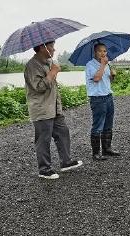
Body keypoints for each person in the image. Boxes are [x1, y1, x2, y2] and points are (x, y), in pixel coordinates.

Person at [24, 41, 83, 180]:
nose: (54, 49)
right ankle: (44, 169)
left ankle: (66, 162)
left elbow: (51, 83)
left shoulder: (49, 62)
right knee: (43, 139)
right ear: (41, 47)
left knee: (63, 132)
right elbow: (38, 87)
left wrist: (52, 71)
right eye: (51, 46)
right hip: (42, 109)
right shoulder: (32, 65)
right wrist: (53, 72)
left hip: (55, 107)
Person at [85, 43, 120, 161]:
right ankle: (95, 153)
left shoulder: (107, 64)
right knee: (98, 126)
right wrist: (102, 65)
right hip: (98, 98)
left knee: (108, 125)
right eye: (100, 51)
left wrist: (112, 75)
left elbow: (108, 80)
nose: (103, 53)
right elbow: (96, 79)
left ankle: (107, 149)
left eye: (105, 51)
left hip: (108, 96)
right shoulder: (90, 65)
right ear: (95, 52)